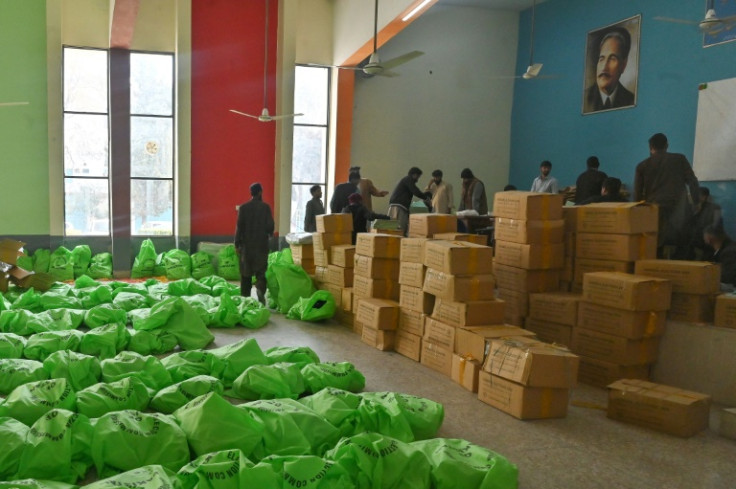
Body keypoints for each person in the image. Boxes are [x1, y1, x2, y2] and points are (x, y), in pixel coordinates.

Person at [634, 133, 700, 259]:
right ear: (667, 145)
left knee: (655, 247)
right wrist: (696, 203)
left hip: (654, 211)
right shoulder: (680, 159)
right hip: (679, 210)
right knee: (683, 246)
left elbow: (637, 195)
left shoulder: (642, 166)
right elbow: (692, 181)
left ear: (650, 147)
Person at [234, 182, 274, 304]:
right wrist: (269, 234)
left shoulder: (243, 208)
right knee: (261, 272)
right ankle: (260, 289)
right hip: (261, 246)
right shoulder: (265, 207)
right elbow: (270, 226)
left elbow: (239, 227)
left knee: (245, 274)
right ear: (260, 192)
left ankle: (245, 299)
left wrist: (237, 244)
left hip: (247, 246)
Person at [584, 27, 635, 112]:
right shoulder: (585, 98)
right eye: (601, 59)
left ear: (623, 65)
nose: (604, 67)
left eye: (612, 58)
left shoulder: (631, 100)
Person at [387, 167, 432, 235]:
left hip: (395, 206)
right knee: (400, 230)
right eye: (418, 177)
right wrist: (426, 198)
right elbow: (415, 191)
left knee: (392, 229)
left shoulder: (405, 180)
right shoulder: (408, 179)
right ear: (414, 175)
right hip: (399, 207)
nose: (417, 179)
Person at [690, 187, 723, 260]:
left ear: (704, 197)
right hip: (693, 240)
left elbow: (717, 224)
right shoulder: (692, 207)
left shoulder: (716, 208)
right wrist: (696, 211)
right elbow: (688, 222)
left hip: (708, 241)